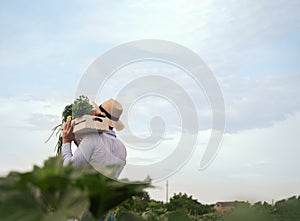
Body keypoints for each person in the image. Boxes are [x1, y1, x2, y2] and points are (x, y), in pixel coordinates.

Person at [61, 98, 127, 177]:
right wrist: (79, 144)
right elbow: (96, 157)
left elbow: (68, 169)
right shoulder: (122, 148)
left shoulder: (92, 138)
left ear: (98, 115)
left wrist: (66, 140)